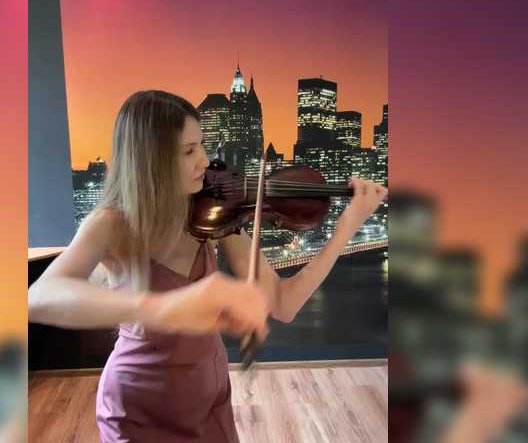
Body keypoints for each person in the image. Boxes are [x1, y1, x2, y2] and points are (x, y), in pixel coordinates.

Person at [28, 90, 388, 442]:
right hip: (142, 410)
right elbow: (40, 297)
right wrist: (159, 307)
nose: (205, 160)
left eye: (201, 144)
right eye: (189, 151)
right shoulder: (112, 223)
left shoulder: (214, 214)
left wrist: (347, 227)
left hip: (210, 403)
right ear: (151, 159)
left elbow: (285, 303)